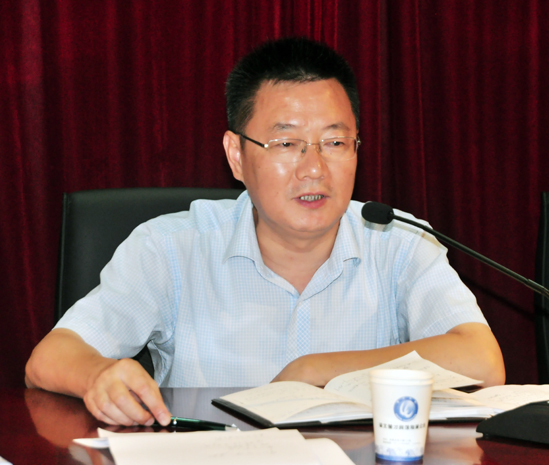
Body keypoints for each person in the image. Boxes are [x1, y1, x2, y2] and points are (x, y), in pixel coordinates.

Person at [25, 37, 505, 427]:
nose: (314, 168)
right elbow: (49, 359)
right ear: (236, 156)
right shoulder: (171, 249)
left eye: (335, 141)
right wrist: (101, 375)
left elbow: (483, 363)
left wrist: (315, 370)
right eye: (286, 143)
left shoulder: (400, 243)